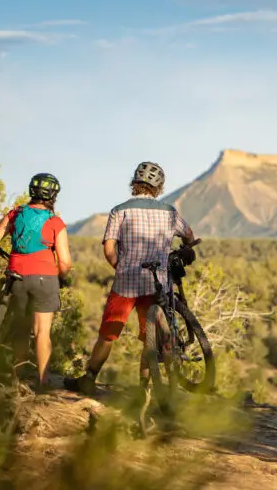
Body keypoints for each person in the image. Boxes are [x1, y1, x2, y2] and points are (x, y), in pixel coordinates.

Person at [64, 161, 195, 395]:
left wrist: (121, 267)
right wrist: (185, 246)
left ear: (135, 183)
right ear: (159, 187)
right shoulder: (170, 212)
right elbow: (189, 235)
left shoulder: (119, 211)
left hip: (126, 284)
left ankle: (89, 379)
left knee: (108, 334)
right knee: (150, 339)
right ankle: (144, 389)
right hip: (156, 284)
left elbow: (109, 250)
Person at [0, 172, 72, 390]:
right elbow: (65, 262)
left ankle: (16, 379)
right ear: (54, 196)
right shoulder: (55, 222)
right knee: (42, 332)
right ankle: (43, 381)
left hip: (17, 278)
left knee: (21, 328)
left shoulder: (16, 213)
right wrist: (62, 278)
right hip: (45, 279)